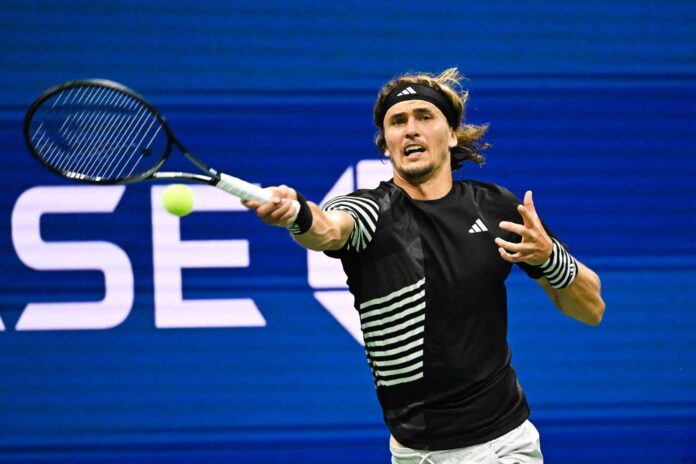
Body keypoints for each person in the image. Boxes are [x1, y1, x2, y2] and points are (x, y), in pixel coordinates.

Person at [243, 68, 605, 464]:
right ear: (386, 144)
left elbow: (590, 309)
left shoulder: (496, 208)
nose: (411, 130)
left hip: (502, 445)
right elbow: (328, 228)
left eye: (424, 116)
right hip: (413, 453)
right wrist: (297, 213)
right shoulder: (371, 212)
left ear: (451, 135)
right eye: (398, 121)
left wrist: (550, 257)